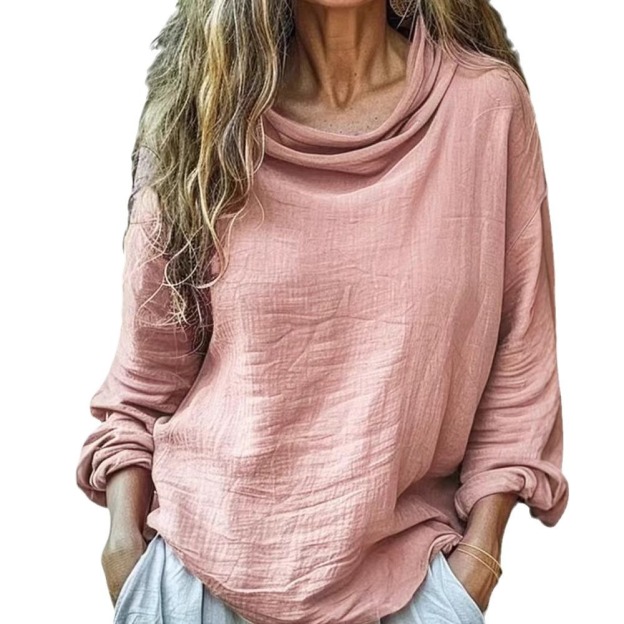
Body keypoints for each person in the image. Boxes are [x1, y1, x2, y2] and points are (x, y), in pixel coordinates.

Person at [75, 1, 570, 623]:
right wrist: (125, 551)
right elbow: (146, 380)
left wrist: (478, 563)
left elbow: (519, 358)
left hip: (409, 586)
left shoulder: (484, 109)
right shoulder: (202, 114)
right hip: (196, 581)